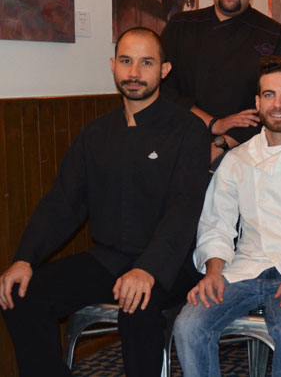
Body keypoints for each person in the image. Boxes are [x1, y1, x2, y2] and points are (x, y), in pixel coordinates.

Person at [0, 27, 209, 377]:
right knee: (23, 295)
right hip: (110, 258)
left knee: (136, 303)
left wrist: (148, 269)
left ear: (164, 70)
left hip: (172, 264)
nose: (134, 72)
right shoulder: (95, 134)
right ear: (113, 65)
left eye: (146, 63)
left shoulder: (188, 131)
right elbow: (62, 203)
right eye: (126, 61)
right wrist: (25, 258)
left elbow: (183, 209)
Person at [173, 56, 281, 377]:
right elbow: (217, 226)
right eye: (269, 95)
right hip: (243, 270)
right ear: (257, 102)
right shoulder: (237, 159)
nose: (278, 104)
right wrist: (213, 271)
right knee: (188, 326)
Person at [161, 0, 281, 165]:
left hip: (249, 155)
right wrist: (213, 123)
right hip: (179, 146)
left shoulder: (274, 35)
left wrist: (221, 142)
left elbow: (277, 105)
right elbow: (162, 90)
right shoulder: (180, 25)